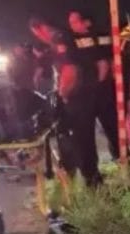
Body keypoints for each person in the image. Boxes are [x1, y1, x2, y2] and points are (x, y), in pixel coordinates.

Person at [33, 14, 100, 185]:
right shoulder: (64, 37)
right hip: (83, 96)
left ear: (40, 28)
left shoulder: (60, 38)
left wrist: (63, 94)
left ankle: (89, 179)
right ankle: (87, 177)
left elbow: (70, 68)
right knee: (80, 139)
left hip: (77, 98)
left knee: (79, 139)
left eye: (37, 33)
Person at [67, 9, 119, 162]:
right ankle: (122, 160)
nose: (71, 26)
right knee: (112, 130)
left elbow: (104, 64)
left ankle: (96, 169)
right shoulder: (102, 36)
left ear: (87, 22)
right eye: (70, 22)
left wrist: (97, 86)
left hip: (93, 91)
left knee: (88, 134)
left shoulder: (79, 40)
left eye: (75, 21)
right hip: (103, 91)